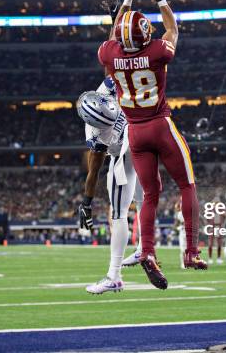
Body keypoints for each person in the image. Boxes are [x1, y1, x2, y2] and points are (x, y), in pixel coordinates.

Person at [98, 0, 206, 289]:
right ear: (145, 35)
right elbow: (172, 29)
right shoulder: (156, 51)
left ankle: (147, 250)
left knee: (150, 196)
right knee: (187, 185)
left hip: (135, 131)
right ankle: (190, 251)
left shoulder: (110, 55)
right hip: (159, 124)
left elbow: (114, 36)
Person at [76, 81, 144, 294]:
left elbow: (94, 172)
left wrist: (86, 204)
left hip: (128, 151)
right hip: (144, 141)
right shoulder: (96, 134)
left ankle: (114, 276)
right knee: (144, 199)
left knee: (119, 214)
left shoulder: (109, 87)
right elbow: (93, 170)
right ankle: (145, 248)